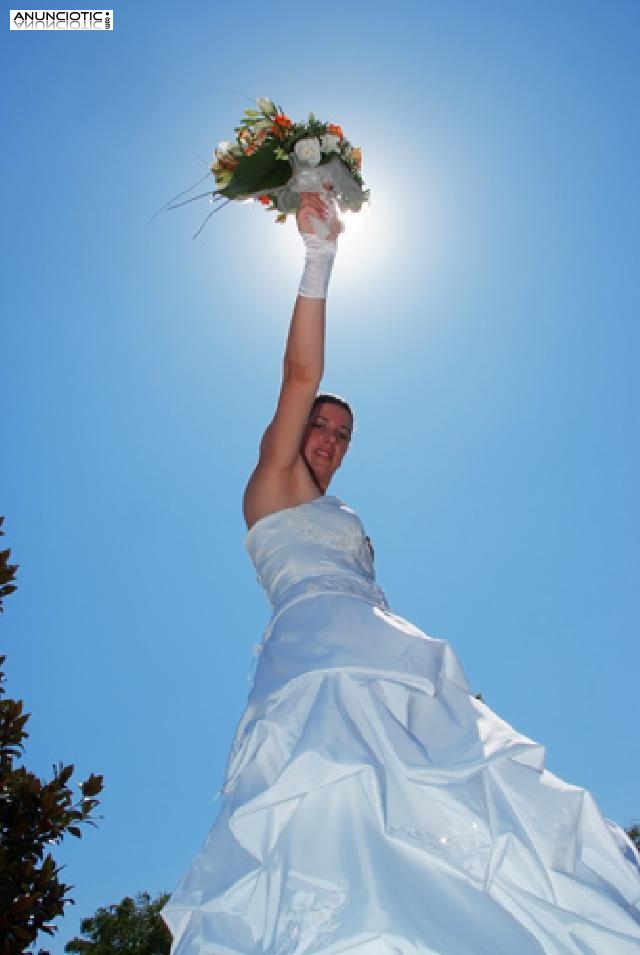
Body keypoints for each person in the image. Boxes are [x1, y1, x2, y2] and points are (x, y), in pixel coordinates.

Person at [163, 195, 640, 954]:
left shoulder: (342, 509)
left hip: (381, 641)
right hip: (317, 653)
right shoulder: (271, 487)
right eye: (319, 424)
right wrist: (319, 259)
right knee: (331, 805)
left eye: (342, 435)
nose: (328, 438)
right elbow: (298, 371)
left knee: (452, 796)